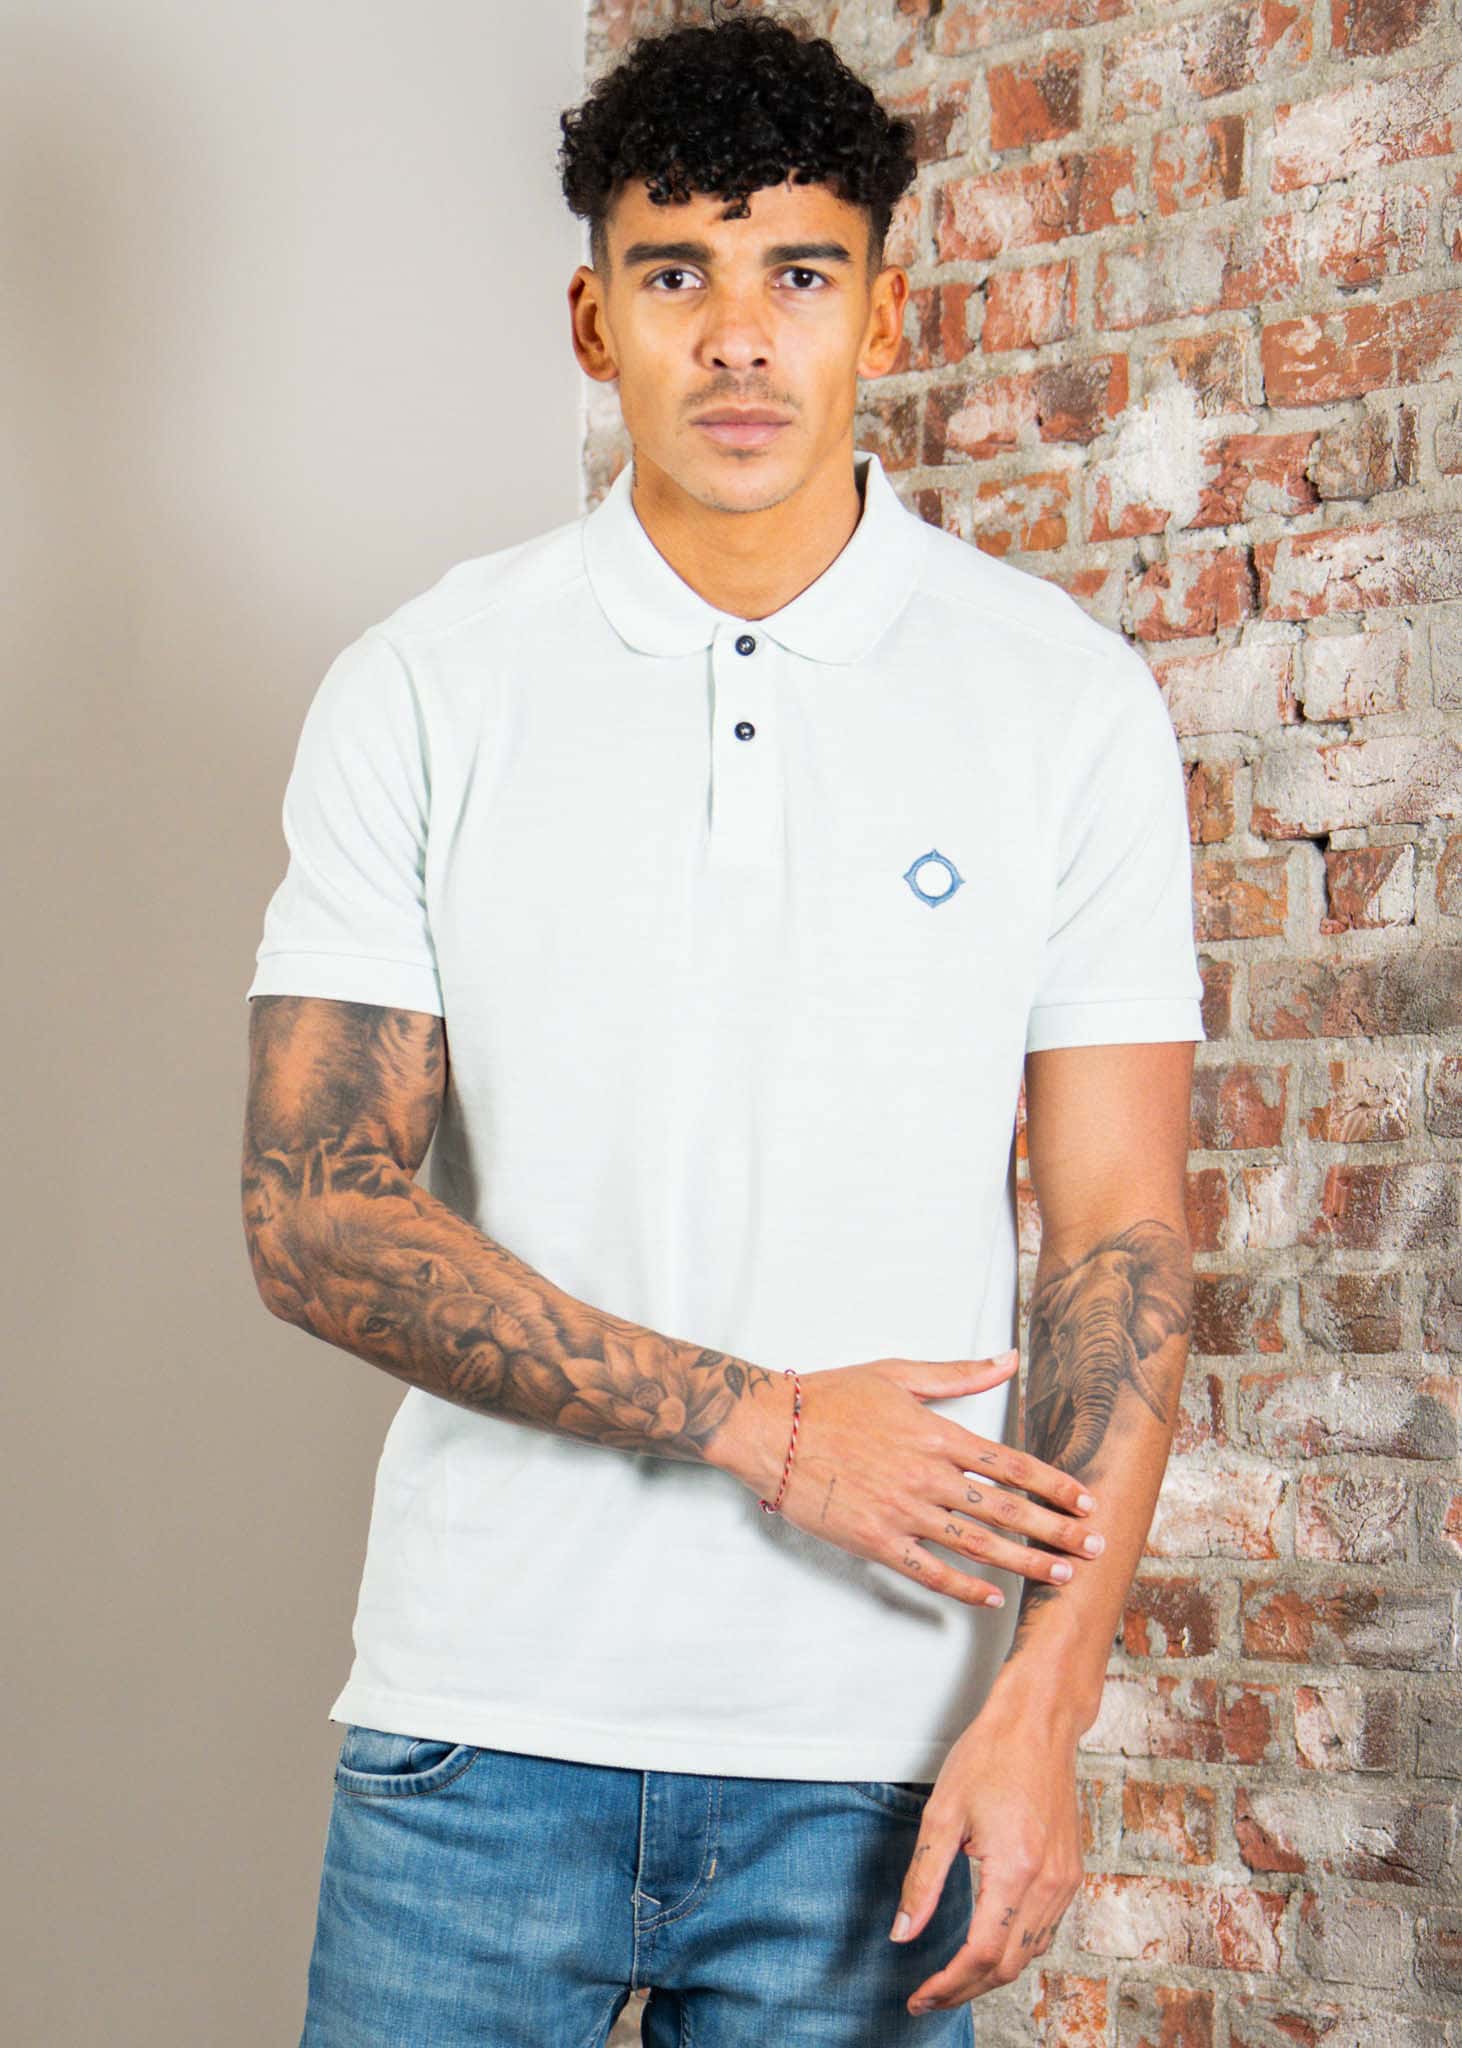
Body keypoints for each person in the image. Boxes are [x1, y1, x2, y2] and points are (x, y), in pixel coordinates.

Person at [241, 9, 1205, 2044]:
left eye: (801, 276)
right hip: (478, 1734)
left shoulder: (1058, 700)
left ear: (884, 310)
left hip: (876, 1767)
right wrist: (765, 1425)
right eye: (677, 276)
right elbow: (314, 1211)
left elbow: (1117, 1237)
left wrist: (1045, 1706)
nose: (742, 338)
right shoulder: (427, 682)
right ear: (593, 322)